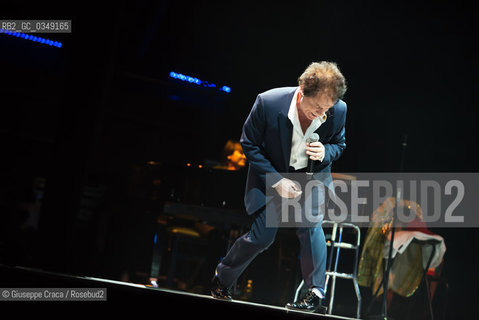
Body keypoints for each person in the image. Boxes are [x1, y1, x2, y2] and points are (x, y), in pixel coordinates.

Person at [210, 61, 348, 313]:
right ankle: (223, 278)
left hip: (312, 177)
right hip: (274, 175)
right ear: (302, 89)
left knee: (311, 224)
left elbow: (339, 144)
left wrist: (325, 151)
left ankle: (315, 293)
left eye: (326, 110)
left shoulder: (338, 109)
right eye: (316, 108)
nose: (321, 114)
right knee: (263, 237)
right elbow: (249, 143)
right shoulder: (269, 102)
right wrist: (276, 180)